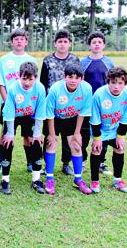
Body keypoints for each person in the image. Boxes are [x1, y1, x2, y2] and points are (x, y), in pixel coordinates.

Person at [44, 64, 93, 195]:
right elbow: (48, 113)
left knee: (76, 146)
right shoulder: (55, 89)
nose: (73, 80)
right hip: (54, 118)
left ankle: (78, 179)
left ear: (82, 79)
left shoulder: (87, 89)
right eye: (70, 77)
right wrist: (52, 134)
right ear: (64, 77)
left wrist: (77, 133)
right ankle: (49, 178)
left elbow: (83, 112)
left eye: (77, 78)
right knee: (51, 144)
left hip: (71, 118)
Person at [0, 62, 46, 195]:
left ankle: (36, 180)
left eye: (31, 79)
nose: (27, 82)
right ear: (19, 76)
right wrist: (9, 133)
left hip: (30, 116)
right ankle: (5, 179)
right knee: (8, 142)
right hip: (13, 115)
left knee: (36, 142)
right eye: (24, 78)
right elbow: (8, 112)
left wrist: (37, 133)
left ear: (35, 78)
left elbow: (40, 111)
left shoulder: (40, 89)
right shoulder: (13, 88)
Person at [40, 29, 82, 176]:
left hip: (69, 106)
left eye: (65, 41)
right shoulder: (47, 60)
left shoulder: (75, 60)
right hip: (52, 105)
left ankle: (66, 163)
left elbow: (79, 81)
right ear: (55, 43)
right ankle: (47, 166)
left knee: (68, 137)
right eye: (60, 41)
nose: (63, 44)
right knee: (50, 136)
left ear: (69, 43)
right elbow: (43, 83)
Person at [0, 28, 37, 174]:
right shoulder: (4, 60)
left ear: (26, 41)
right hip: (8, 104)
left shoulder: (31, 60)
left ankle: (30, 163)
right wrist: (9, 103)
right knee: (5, 133)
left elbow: (35, 85)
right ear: (12, 41)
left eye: (22, 39)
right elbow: (1, 83)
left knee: (28, 135)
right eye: (16, 39)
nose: (19, 41)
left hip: (28, 107)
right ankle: (0, 162)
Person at [89, 67, 127, 193]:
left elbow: (126, 119)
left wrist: (121, 136)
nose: (116, 86)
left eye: (120, 83)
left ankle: (117, 180)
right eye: (113, 82)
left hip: (115, 129)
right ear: (108, 82)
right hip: (100, 129)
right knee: (96, 150)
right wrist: (97, 138)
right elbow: (95, 120)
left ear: (125, 83)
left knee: (120, 148)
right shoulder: (99, 94)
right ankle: (94, 181)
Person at [81, 31, 115, 176]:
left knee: (103, 132)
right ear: (90, 45)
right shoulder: (83, 62)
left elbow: (112, 83)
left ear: (103, 45)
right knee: (84, 133)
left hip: (104, 104)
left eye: (99, 42)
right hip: (87, 104)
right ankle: (81, 161)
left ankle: (100, 161)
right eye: (94, 42)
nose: (96, 44)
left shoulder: (108, 63)